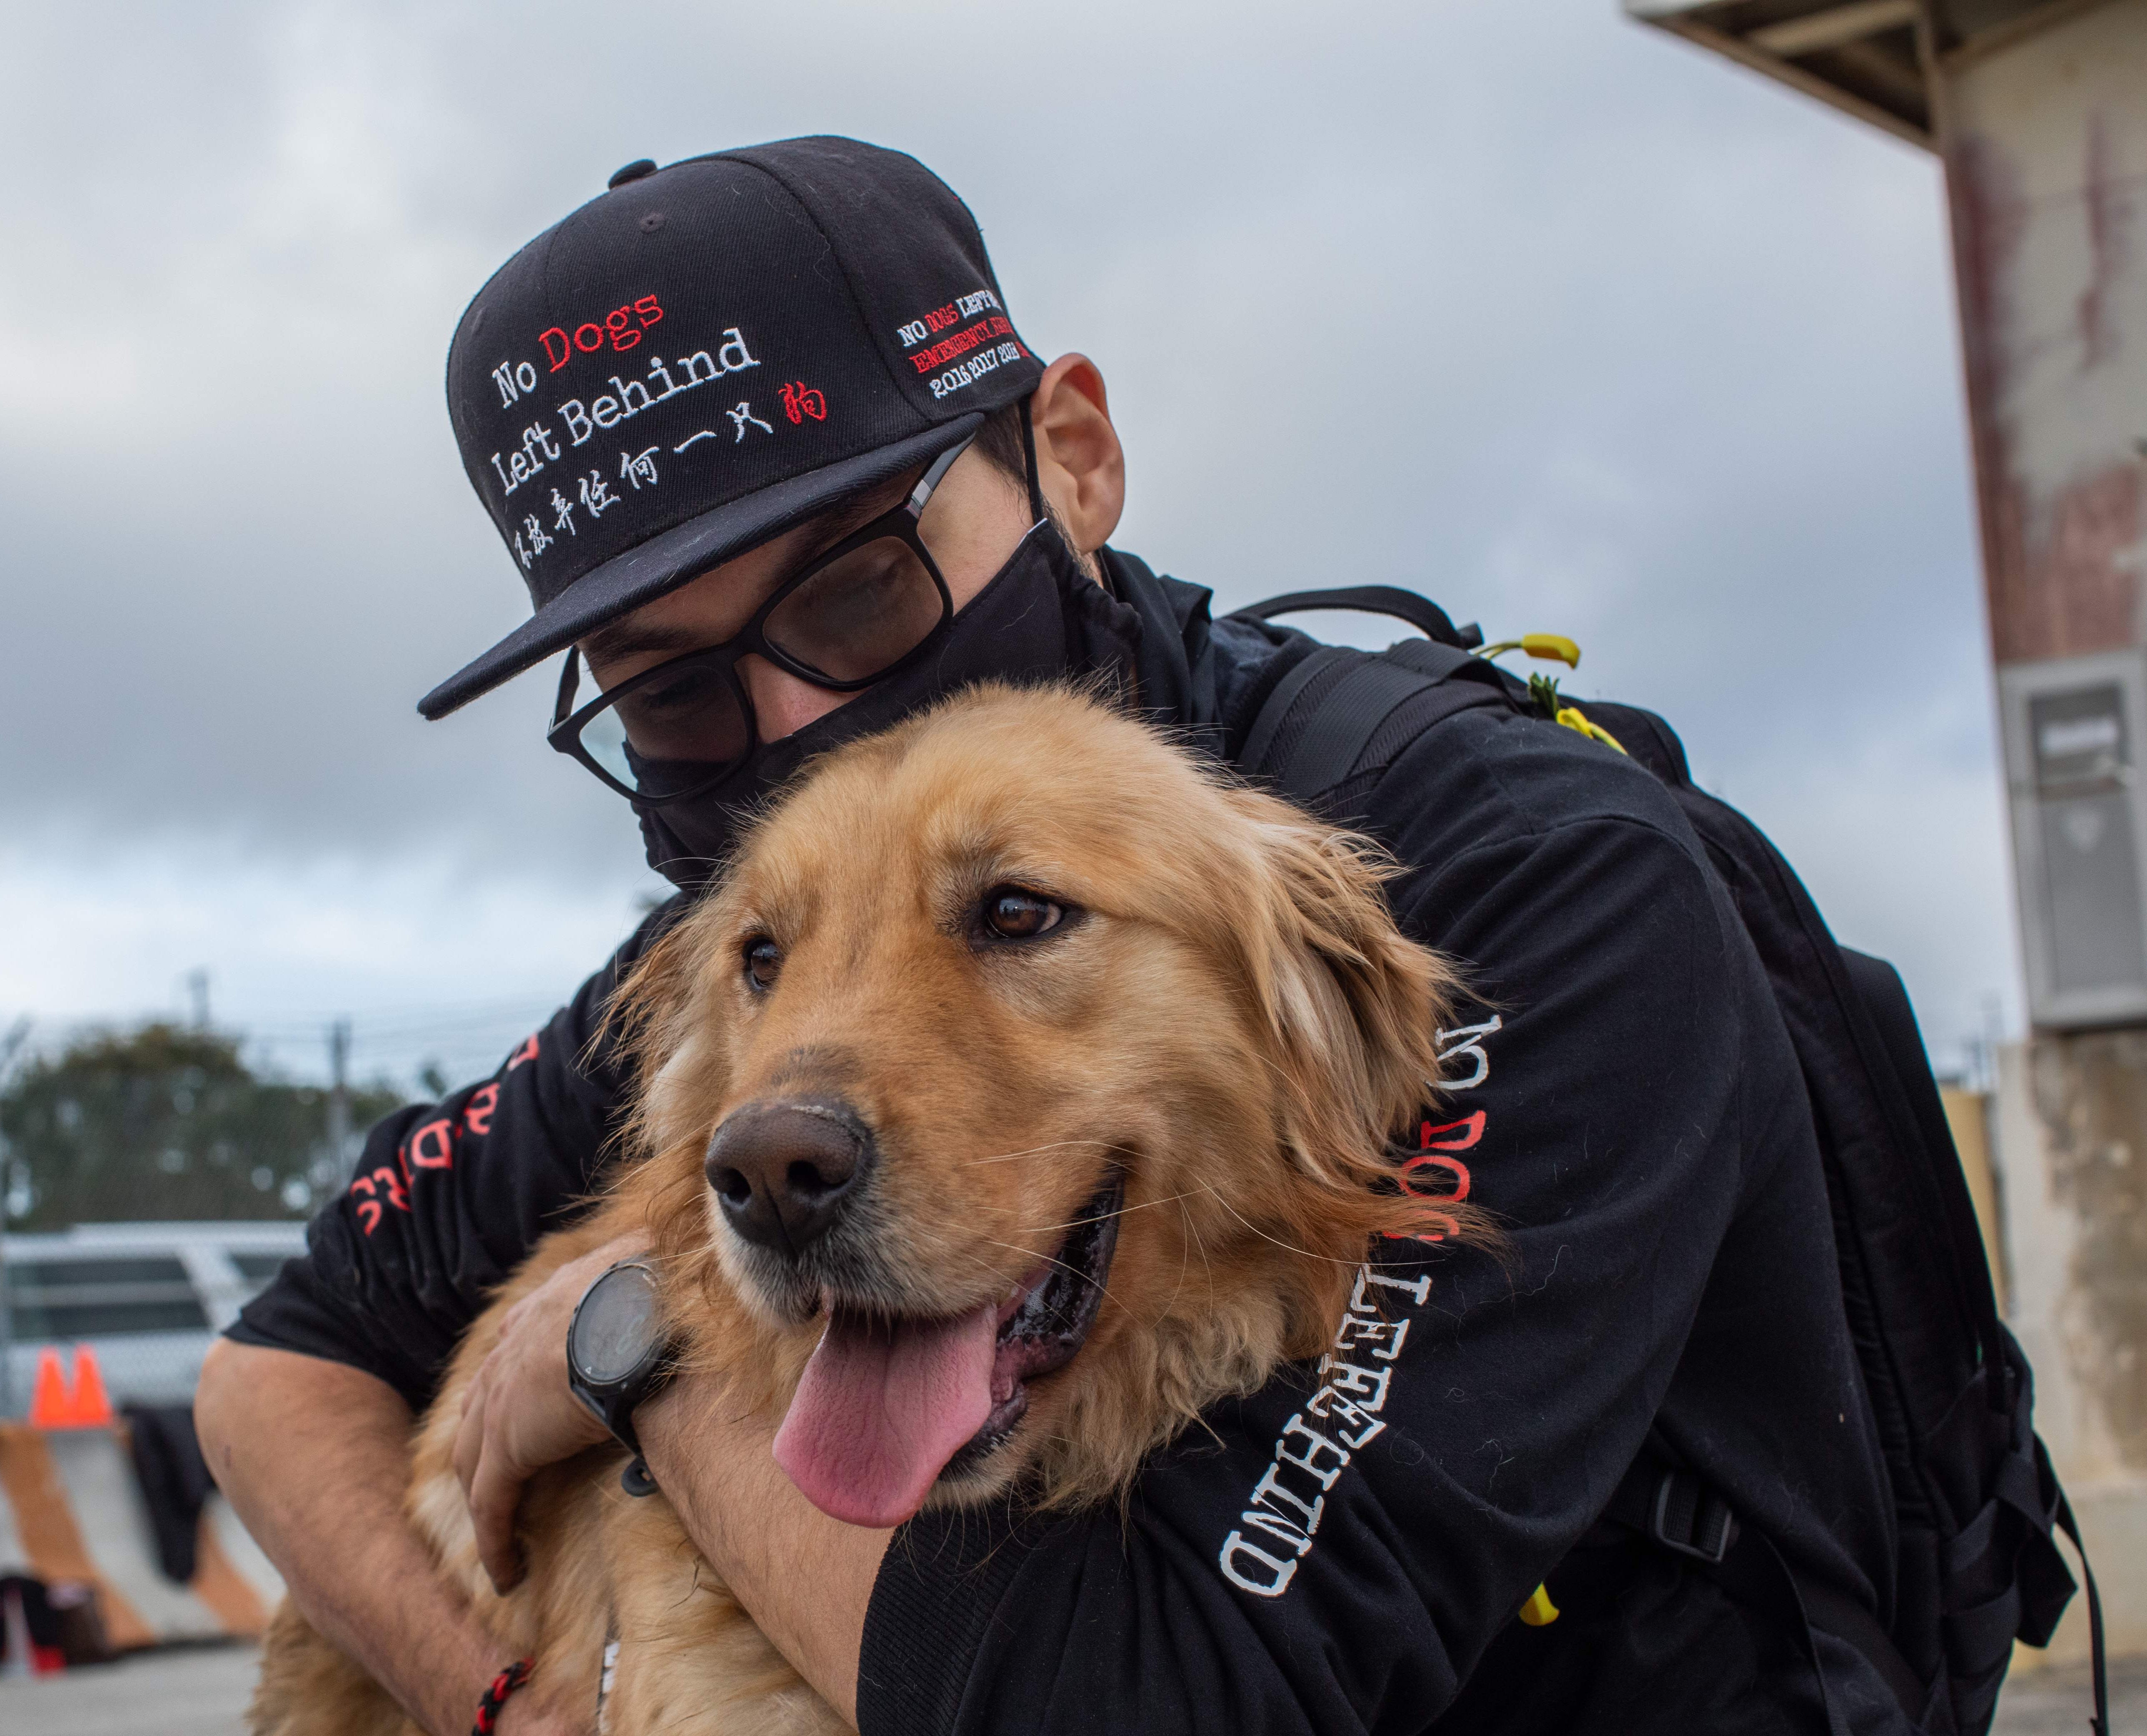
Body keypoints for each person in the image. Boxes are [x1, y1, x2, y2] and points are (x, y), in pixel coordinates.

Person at [198, 137, 1905, 1736]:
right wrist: (495, 1705)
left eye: (862, 586)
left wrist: (637, 1345)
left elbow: (1162, 1703)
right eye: (673, 693)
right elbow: (276, 1370)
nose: (800, 727)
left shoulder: (1528, 873)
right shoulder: (743, 950)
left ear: (1069, 458)